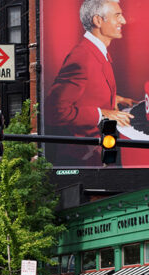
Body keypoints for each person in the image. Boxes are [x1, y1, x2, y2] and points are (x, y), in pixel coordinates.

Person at [44, 0, 137, 166]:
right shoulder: (82, 58)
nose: (123, 21)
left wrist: (116, 99)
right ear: (98, 21)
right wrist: (102, 114)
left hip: (98, 157)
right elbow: (55, 111)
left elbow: (87, 90)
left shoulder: (97, 52)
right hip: (82, 161)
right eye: (117, 15)